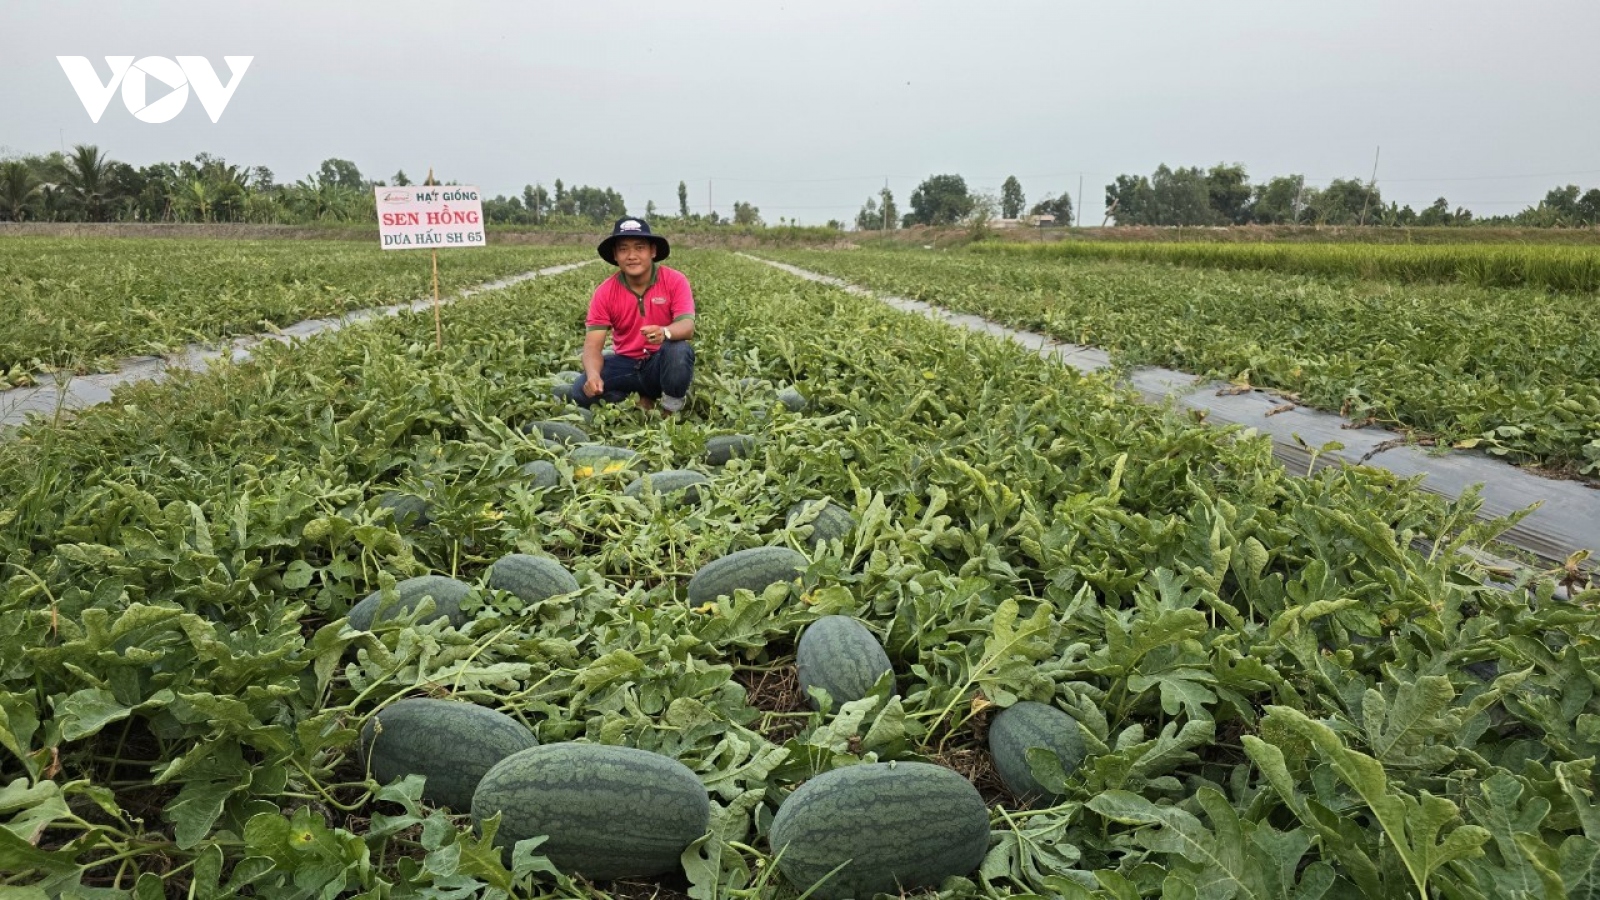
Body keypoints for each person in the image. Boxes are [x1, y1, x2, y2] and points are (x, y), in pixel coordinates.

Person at [569, 216, 696, 415]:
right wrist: (593, 376)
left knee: (678, 350)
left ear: (652, 251)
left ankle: (670, 409)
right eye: (623, 249)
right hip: (625, 365)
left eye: (639, 247)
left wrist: (665, 332)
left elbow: (687, 326)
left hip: (659, 365)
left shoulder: (675, 281)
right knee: (579, 391)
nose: (631, 255)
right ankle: (640, 403)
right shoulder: (605, 292)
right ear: (615, 255)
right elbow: (593, 346)